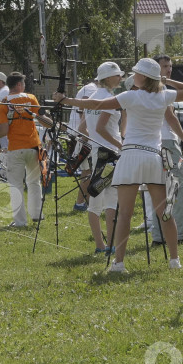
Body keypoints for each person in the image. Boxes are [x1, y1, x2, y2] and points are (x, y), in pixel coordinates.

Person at [53, 58, 183, 272]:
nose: (132, 76)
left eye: (137, 73)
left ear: (144, 78)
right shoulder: (164, 95)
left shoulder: (131, 96)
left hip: (131, 156)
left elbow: (95, 105)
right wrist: (167, 80)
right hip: (153, 158)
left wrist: (66, 100)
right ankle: (174, 260)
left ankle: (119, 263)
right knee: (164, 213)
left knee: (125, 215)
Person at [0, 72, 53, 227]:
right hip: (34, 146)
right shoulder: (31, 98)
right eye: (23, 83)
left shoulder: (4, 103)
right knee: (34, 182)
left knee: (16, 186)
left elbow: (3, 132)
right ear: (19, 85)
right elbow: (46, 121)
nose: (24, 86)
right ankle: (37, 215)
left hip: (16, 149)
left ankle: (20, 222)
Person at [149, 54, 183, 244]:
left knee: (160, 190)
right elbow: (172, 116)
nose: (168, 70)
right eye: (164, 67)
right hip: (167, 143)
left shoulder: (145, 89)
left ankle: (159, 236)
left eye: (170, 67)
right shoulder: (160, 90)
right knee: (181, 188)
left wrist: (166, 80)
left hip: (154, 144)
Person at [84, 63, 124, 253]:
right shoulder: (110, 99)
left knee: (94, 199)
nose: (120, 79)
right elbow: (101, 127)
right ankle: (112, 246)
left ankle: (100, 246)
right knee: (111, 199)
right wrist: (120, 145)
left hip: (96, 152)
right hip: (110, 154)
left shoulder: (91, 98)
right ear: (107, 78)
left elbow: (85, 128)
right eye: (117, 75)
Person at [70, 79, 99, 211]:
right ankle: (81, 203)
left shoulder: (89, 88)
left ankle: (85, 202)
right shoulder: (91, 90)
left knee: (88, 172)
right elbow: (83, 120)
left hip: (84, 137)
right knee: (87, 172)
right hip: (85, 138)